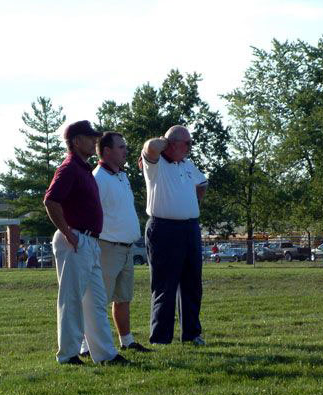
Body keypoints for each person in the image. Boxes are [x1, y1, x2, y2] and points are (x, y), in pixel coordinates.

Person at [43, 120, 128, 365]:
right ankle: (68, 355)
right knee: (72, 300)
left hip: (88, 241)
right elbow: (50, 201)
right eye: (90, 138)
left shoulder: (83, 169)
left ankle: (105, 354)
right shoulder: (69, 168)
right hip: (76, 239)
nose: (94, 142)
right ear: (77, 141)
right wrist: (67, 232)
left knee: (96, 302)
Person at [80, 132, 150, 356]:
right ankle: (86, 345)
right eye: (121, 147)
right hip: (107, 247)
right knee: (97, 300)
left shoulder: (121, 176)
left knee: (123, 298)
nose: (125, 151)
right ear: (107, 151)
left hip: (126, 247)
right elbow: (90, 213)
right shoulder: (98, 178)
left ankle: (126, 340)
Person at [141, 125, 208, 346]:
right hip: (164, 228)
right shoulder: (156, 164)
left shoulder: (187, 164)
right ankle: (161, 338)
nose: (190, 147)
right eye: (186, 143)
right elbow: (150, 147)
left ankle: (191, 333)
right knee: (165, 285)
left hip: (190, 228)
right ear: (172, 143)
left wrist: (193, 202)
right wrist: (165, 140)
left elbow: (202, 183)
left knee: (192, 284)